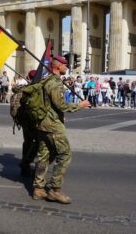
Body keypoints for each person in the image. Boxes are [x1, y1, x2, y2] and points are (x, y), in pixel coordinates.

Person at [33, 56, 90, 204]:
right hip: (52, 124)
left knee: (43, 155)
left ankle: (38, 189)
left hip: (43, 122)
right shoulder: (55, 83)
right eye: (65, 64)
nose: (67, 66)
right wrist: (81, 105)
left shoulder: (46, 80)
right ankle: (55, 190)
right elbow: (62, 106)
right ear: (58, 66)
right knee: (64, 154)